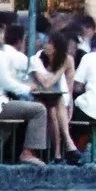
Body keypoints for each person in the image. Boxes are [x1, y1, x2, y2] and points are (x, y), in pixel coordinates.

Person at [0, 25, 50, 166]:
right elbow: (6, 82)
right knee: (39, 110)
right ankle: (28, 153)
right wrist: (28, 88)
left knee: (19, 114)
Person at [30, 30, 80, 161]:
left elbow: (69, 88)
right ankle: (67, 146)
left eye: (50, 43)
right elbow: (46, 85)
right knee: (53, 107)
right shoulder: (36, 60)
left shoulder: (68, 59)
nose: (46, 45)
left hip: (59, 99)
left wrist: (71, 105)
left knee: (55, 105)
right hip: (39, 97)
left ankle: (58, 153)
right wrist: (61, 69)